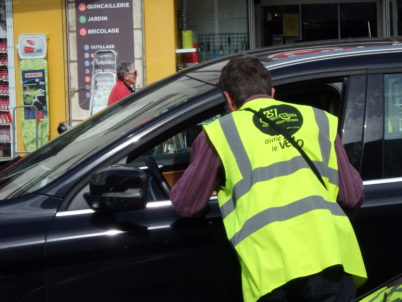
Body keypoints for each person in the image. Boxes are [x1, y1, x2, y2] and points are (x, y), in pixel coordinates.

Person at [170, 56, 367, 302]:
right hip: (329, 258)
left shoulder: (220, 134)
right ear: (272, 92)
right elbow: (353, 195)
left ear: (229, 100)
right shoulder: (319, 120)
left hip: (270, 270)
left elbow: (187, 205)